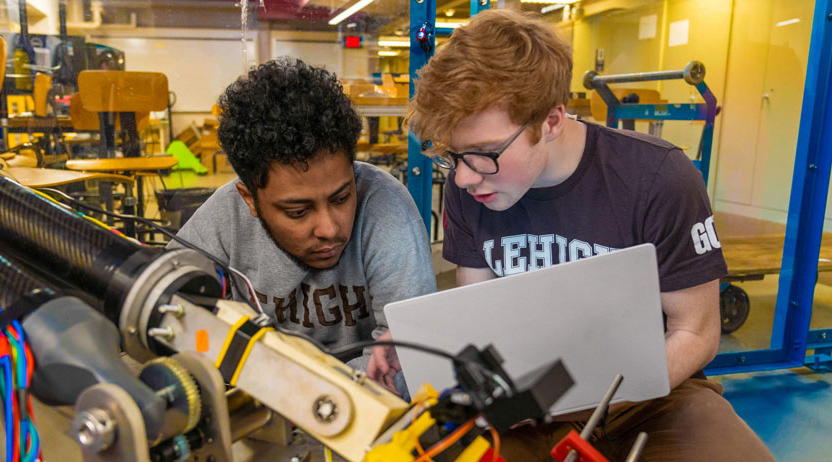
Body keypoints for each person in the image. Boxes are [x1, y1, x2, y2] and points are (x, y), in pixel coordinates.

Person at [405, 9, 773, 462]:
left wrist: (588, 400)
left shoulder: (657, 177)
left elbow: (695, 332)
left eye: (484, 153)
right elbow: (478, 329)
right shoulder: (474, 187)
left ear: (552, 120)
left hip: (653, 396)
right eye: (451, 155)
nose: (462, 179)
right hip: (527, 403)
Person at [171, 58, 435, 393]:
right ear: (249, 199)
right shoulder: (224, 218)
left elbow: (412, 360)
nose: (329, 229)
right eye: (298, 211)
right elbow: (172, 320)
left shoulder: (387, 207)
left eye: (341, 198)